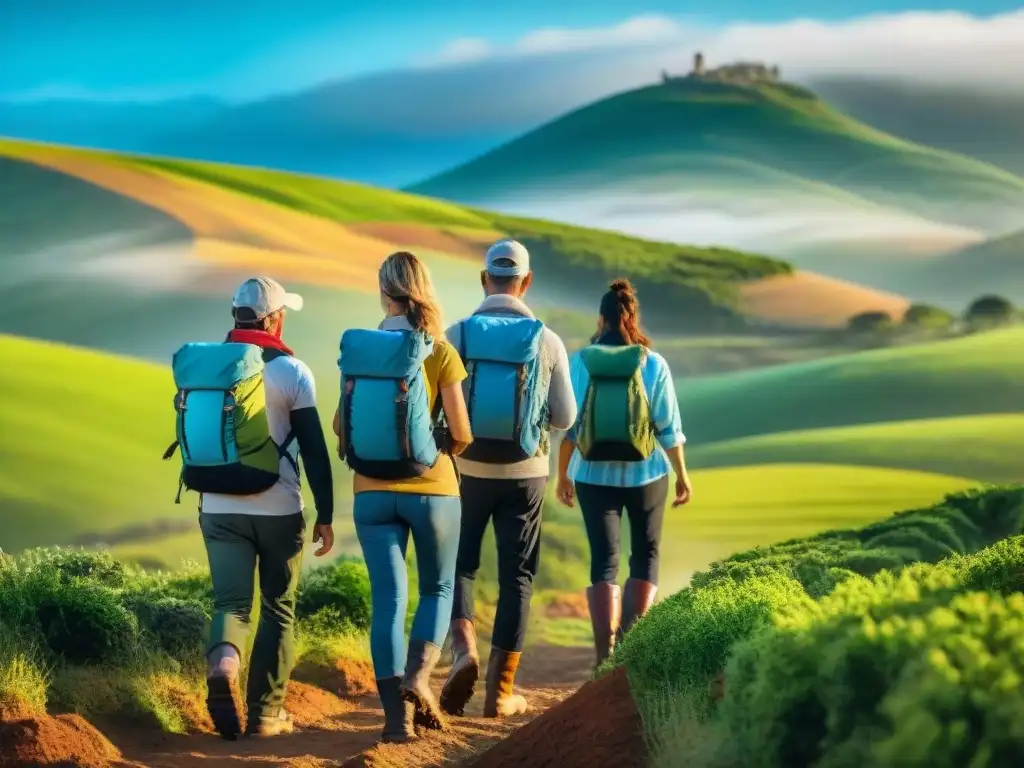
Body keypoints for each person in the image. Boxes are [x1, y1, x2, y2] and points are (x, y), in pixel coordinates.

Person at [170, 276, 335, 740]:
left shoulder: (209, 369)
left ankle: (224, 665)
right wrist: (325, 514)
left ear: (235, 316)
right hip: (279, 508)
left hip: (218, 505)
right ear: (275, 318)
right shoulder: (292, 372)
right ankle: (266, 715)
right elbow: (315, 451)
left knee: (230, 604)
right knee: (278, 608)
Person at [333, 251, 473, 744]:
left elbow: (338, 425)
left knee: (388, 602)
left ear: (383, 292)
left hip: (370, 493)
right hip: (433, 491)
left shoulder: (361, 350)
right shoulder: (437, 349)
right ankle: (419, 677)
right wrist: (439, 450)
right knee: (436, 588)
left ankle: (395, 723)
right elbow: (461, 430)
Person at [440, 240, 577, 719]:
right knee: (517, 574)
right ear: (527, 281)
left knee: (461, 564)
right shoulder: (548, 339)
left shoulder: (457, 333)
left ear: (484, 280)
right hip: (526, 474)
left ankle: (463, 652)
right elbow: (564, 417)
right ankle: (499, 693)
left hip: (467, 470)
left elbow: (435, 405)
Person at [555, 279, 692, 668]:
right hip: (647, 474)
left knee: (603, 558)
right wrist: (682, 474)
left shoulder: (581, 361)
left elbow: (570, 426)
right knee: (645, 553)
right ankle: (630, 655)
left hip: (592, 476)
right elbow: (668, 427)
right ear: (633, 316)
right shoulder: (653, 363)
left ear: (601, 318)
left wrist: (562, 476)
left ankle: (604, 656)